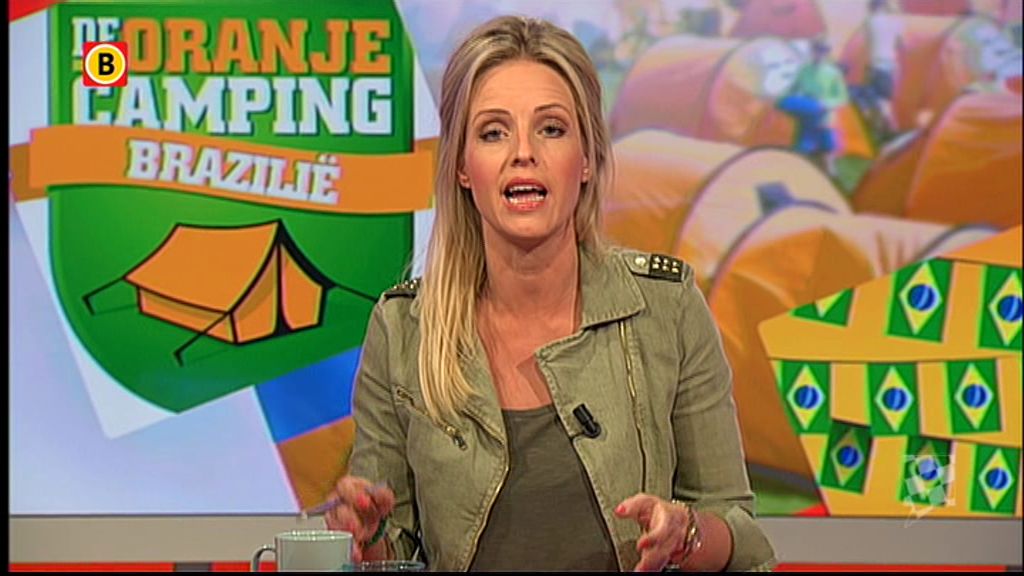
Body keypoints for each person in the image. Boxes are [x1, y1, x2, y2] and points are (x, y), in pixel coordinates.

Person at [323, 15, 777, 572]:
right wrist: (367, 538)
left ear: (586, 159)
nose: (523, 152)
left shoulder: (666, 308)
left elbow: (743, 540)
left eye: (551, 129)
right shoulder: (404, 329)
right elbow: (393, 549)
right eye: (493, 132)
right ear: (462, 166)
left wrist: (686, 534)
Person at [780, 37, 850, 176]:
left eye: (824, 50)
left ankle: (830, 170)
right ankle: (801, 169)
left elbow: (843, 98)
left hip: (826, 116)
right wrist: (784, 100)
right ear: (812, 51)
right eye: (817, 49)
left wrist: (827, 103)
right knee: (803, 149)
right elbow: (792, 89)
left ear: (828, 53)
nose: (820, 53)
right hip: (807, 115)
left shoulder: (833, 73)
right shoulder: (804, 70)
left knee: (828, 148)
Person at [865, 0, 904, 139]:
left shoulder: (870, 21)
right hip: (893, 67)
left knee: (880, 102)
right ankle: (880, 131)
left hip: (878, 65)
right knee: (885, 100)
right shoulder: (896, 22)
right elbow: (900, 44)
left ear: (874, 6)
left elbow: (869, 44)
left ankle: (892, 129)